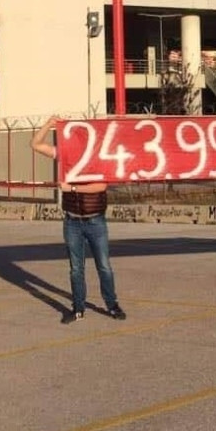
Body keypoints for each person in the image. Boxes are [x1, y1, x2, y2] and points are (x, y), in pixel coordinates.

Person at [31, 116, 126, 324]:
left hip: (95, 221)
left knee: (104, 266)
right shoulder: (66, 156)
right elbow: (36, 144)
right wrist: (48, 125)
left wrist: (72, 188)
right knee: (76, 269)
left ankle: (112, 305)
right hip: (72, 221)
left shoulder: (98, 158)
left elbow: (100, 186)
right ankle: (78, 308)